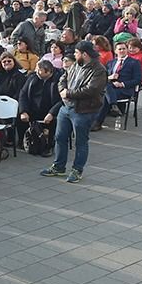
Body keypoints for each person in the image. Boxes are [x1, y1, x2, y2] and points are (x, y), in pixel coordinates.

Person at [41, 40, 106, 184]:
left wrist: (68, 93)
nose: (74, 55)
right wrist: (63, 91)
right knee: (60, 137)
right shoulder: (76, 65)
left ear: (84, 54)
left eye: (76, 53)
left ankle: (77, 170)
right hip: (66, 107)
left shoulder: (99, 70)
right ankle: (59, 166)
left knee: (81, 142)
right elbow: (62, 79)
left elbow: (92, 90)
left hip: (84, 110)